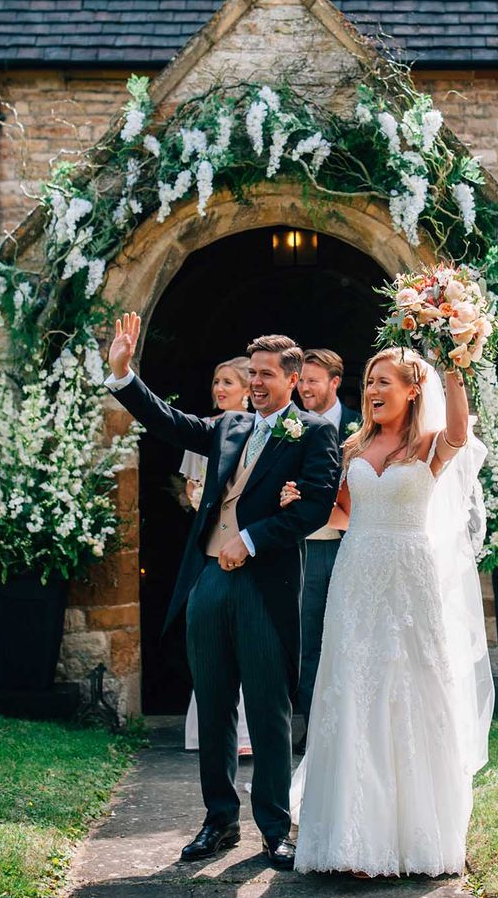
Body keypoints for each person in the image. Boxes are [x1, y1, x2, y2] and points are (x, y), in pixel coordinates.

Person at [105, 315, 339, 870]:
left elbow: (314, 507)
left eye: (264, 375)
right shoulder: (229, 426)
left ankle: (275, 830)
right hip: (208, 581)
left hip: (264, 587)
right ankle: (219, 820)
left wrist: (253, 540)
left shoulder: (314, 433)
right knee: (213, 708)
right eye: (251, 374)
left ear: (290, 378)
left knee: (268, 711)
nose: (254, 383)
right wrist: (123, 374)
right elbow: (170, 424)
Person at [282, 347, 494, 878]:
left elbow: (461, 434)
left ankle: (412, 836)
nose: (372, 390)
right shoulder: (355, 444)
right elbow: (344, 514)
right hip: (355, 578)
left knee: (408, 691)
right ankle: (354, 837)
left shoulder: (428, 446)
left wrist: (456, 366)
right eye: (369, 380)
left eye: (384, 382)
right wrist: (299, 501)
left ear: (412, 390)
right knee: (353, 690)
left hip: (408, 579)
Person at [180, 357, 253, 756]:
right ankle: (205, 732)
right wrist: (196, 499)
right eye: (215, 381)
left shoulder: (264, 432)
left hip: (249, 546)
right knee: (213, 642)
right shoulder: (203, 429)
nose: (219, 388)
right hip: (211, 548)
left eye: (227, 382)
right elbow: (190, 493)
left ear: (247, 389)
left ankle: (244, 732)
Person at [294, 349, 361, 749]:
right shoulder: (291, 426)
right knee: (307, 640)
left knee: (349, 637)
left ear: (334, 383)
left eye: (312, 380)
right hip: (309, 544)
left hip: (353, 545)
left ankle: (350, 726)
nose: (304, 388)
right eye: (300, 380)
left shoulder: (360, 426)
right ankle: (316, 729)